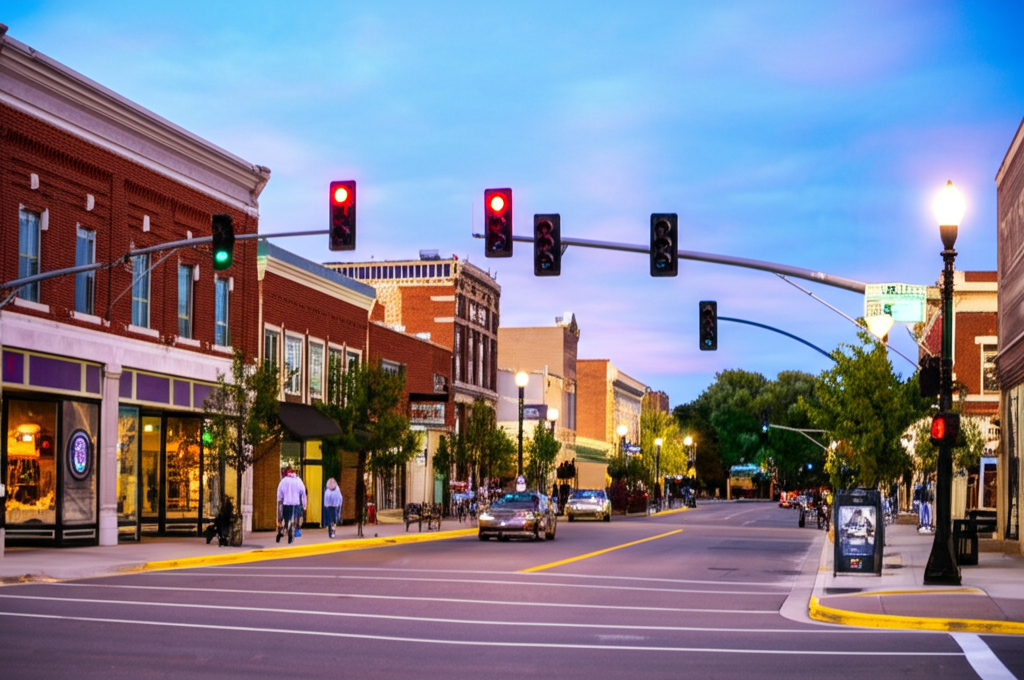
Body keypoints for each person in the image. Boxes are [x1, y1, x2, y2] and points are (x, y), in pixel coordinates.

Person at [276, 465, 307, 544]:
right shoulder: (298, 480)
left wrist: (280, 500)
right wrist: (304, 505)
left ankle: (283, 529)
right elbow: (303, 493)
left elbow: (279, 493)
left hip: (286, 503)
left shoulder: (283, 481)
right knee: (295, 519)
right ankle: (293, 530)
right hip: (296, 504)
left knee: (285, 518)